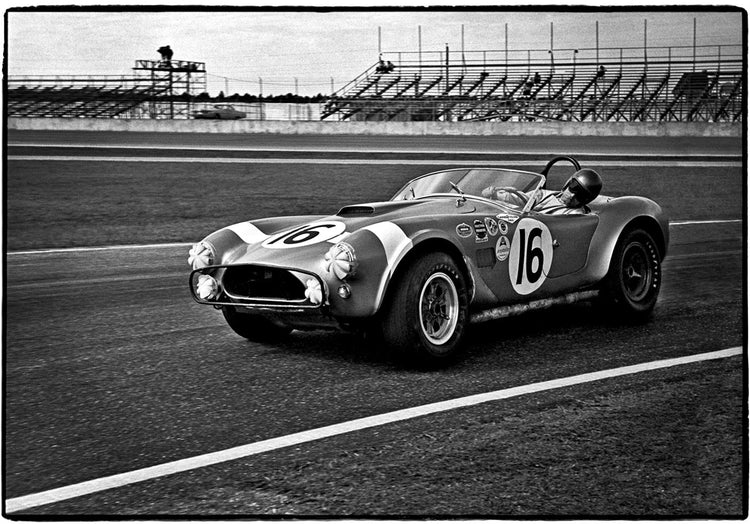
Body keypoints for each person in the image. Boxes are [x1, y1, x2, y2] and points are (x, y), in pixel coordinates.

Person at [482, 168, 602, 215]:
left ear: (586, 200)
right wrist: (496, 194)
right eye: (574, 188)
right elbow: (523, 199)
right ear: (568, 183)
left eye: (580, 195)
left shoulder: (575, 215)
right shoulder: (545, 194)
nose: (571, 196)